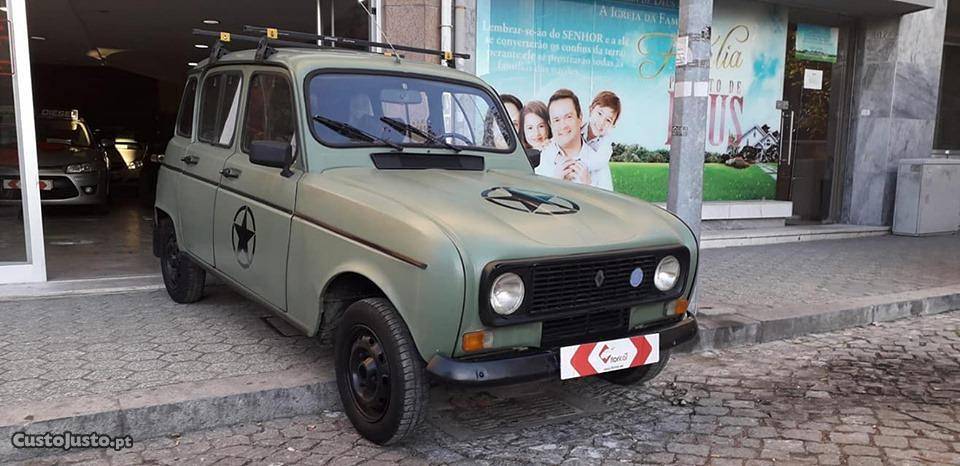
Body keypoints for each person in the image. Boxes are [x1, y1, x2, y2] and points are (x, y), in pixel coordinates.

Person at [535, 89, 613, 190]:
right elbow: (535, 202)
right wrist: (554, 184)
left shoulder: (598, 163)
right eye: (557, 120)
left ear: (580, 118)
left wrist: (589, 187)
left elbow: (608, 204)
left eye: (568, 117)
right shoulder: (544, 158)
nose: (563, 125)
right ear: (550, 125)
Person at [579, 91, 621, 180]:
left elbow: (592, 164)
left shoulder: (605, 147)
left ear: (613, 125)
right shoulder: (577, 127)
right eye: (599, 114)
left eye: (608, 120)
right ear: (591, 110)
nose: (601, 122)